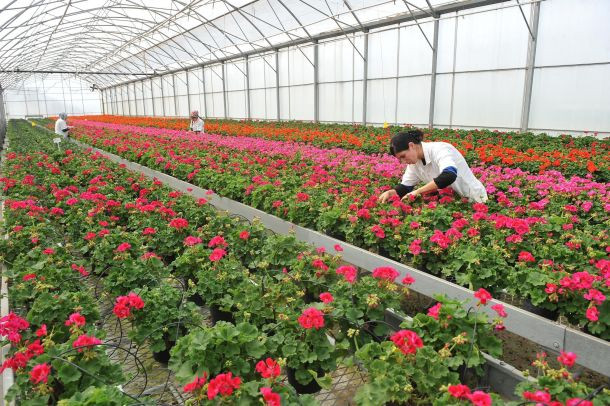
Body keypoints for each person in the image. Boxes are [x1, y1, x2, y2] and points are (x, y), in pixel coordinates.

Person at [378, 130, 488, 203]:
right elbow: (405, 187)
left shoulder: (440, 149)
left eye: (403, 156)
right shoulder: (414, 163)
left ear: (411, 146)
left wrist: (417, 192)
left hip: (474, 198)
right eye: (400, 159)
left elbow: (449, 175)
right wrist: (391, 192)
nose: (403, 161)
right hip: (454, 202)